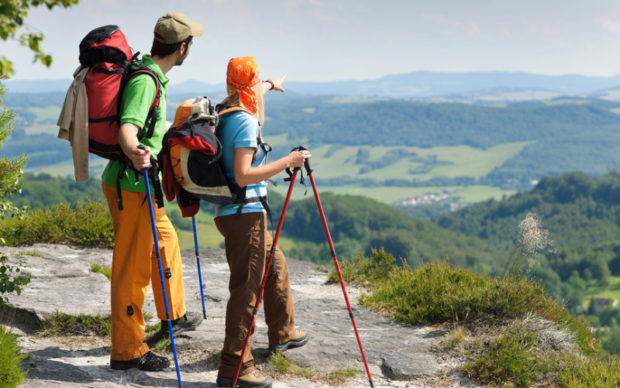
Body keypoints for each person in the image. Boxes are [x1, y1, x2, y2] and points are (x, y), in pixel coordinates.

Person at [100, 12, 205, 371]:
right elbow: (128, 128)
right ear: (183, 49)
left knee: (166, 241)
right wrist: (136, 151)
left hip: (141, 184)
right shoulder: (146, 81)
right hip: (132, 185)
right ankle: (127, 350)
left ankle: (173, 314)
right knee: (132, 267)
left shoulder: (151, 74)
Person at [212, 56, 311, 388]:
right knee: (246, 291)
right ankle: (235, 367)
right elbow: (243, 174)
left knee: (275, 260)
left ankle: (282, 333)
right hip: (245, 214)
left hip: (232, 212)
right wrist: (289, 160)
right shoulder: (245, 122)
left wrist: (270, 83)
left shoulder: (225, 108)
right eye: (257, 83)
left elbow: (252, 91)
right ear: (248, 85)